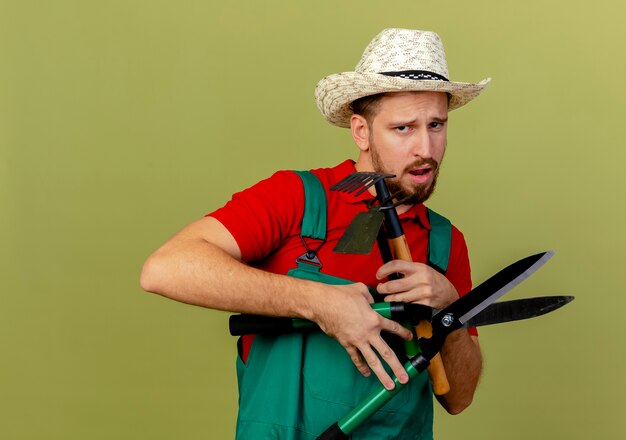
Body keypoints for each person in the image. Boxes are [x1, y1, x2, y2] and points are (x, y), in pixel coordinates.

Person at [141, 28, 490, 439]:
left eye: (436, 125)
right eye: (403, 128)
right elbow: (165, 269)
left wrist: (448, 306)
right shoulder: (297, 199)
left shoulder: (445, 243)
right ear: (361, 131)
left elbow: (458, 397)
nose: (425, 149)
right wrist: (317, 302)